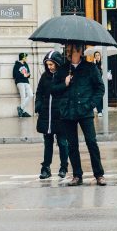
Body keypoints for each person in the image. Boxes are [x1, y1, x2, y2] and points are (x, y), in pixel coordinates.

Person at [52, 43, 106, 186]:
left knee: (91, 142)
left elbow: (100, 88)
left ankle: (99, 174)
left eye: (72, 51)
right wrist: (64, 83)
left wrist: (90, 104)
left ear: (80, 51)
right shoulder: (63, 69)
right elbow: (53, 89)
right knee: (72, 145)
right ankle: (77, 175)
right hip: (68, 111)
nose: (69, 53)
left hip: (85, 111)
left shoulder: (90, 68)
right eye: (68, 51)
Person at [35, 51, 69, 180]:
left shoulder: (64, 76)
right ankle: (46, 168)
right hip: (46, 114)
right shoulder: (44, 76)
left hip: (60, 115)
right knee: (47, 143)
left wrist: (64, 84)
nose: (50, 67)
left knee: (62, 142)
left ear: (57, 63)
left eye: (52, 64)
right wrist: (38, 105)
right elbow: (39, 92)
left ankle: (64, 167)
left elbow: (65, 91)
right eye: (48, 64)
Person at [12, 53, 32, 117]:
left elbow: (28, 73)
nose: (26, 58)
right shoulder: (16, 65)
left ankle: (20, 108)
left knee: (31, 95)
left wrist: (28, 75)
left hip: (26, 81)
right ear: (23, 58)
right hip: (20, 82)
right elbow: (14, 75)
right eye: (25, 57)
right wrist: (23, 75)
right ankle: (23, 112)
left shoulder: (26, 64)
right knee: (23, 97)